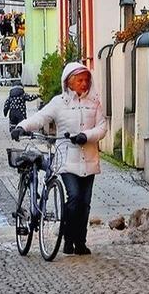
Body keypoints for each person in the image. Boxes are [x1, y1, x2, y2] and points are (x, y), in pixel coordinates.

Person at [13, 62, 109, 255]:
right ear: (69, 82)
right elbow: (41, 118)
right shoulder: (59, 103)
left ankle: (80, 242)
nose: (84, 84)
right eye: (80, 80)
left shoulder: (94, 102)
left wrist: (87, 136)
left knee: (85, 203)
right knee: (74, 197)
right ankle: (67, 237)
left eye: (86, 80)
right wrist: (22, 126)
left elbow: (102, 127)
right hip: (67, 159)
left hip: (89, 159)